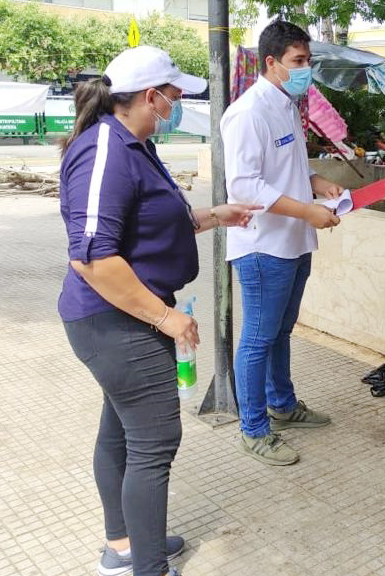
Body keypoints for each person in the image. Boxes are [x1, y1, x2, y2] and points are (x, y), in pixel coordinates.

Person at [58, 47, 260, 576]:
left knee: (120, 432)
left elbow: (150, 220)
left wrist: (216, 215)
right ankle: (147, 567)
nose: (175, 107)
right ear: (150, 97)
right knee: (154, 442)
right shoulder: (106, 148)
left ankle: (123, 545)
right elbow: (92, 258)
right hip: (115, 321)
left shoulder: (134, 144)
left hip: (125, 318)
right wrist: (166, 318)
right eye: (173, 98)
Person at [221, 20, 344, 466]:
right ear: (270, 63)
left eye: (308, 61)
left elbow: (285, 169)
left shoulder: (288, 104)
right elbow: (246, 188)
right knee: (257, 338)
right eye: (298, 62)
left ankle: (283, 405)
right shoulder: (247, 112)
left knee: (281, 332)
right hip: (262, 247)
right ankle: (253, 429)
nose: (305, 69)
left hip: (293, 243)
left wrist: (318, 182)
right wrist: (308, 210)